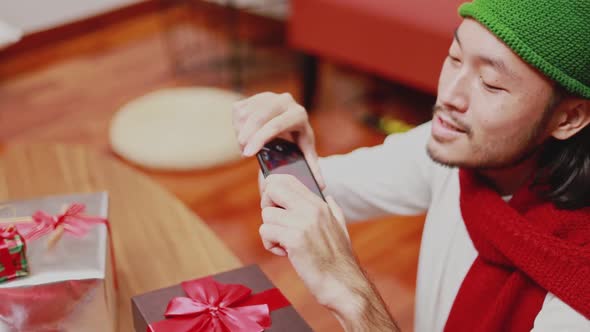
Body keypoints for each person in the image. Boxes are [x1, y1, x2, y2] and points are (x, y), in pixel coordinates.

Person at [232, 0, 590, 330]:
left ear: (569, 117)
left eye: (491, 84)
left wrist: (352, 296)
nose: (448, 96)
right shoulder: (454, 149)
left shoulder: (578, 296)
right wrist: (289, 151)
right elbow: (320, 194)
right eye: (454, 58)